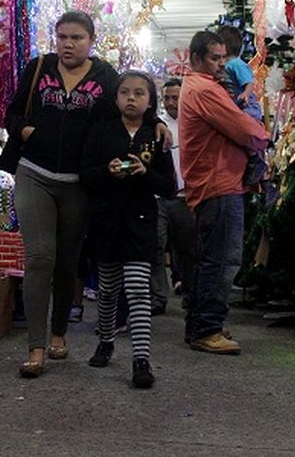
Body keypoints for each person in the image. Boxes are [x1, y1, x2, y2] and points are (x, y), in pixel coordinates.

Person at [7, 11, 164, 378]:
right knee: (41, 256)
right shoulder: (39, 67)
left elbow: (127, 110)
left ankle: (59, 331)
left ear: (91, 39)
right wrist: (27, 131)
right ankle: (36, 346)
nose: (67, 44)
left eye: (76, 38)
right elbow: (11, 113)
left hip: (79, 181)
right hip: (35, 173)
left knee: (67, 260)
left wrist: (155, 124)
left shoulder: (106, 76)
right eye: (62, 36)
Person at [80, 71, 176, 388]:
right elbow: (86, 176)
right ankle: (106, 339)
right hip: (106, 222)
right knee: (108, 290)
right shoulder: (101, 131)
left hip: (141, 222)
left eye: (139, 93)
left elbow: (170, 188)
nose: (131, 98)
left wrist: (145, 172)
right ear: (116, 97)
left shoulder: (156, 135)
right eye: (124, 92)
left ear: (150, 100)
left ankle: (141, 359)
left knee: (137, 289)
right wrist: (107, 173)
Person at [180, 31, 269, 354]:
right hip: (218, 184)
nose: (221, 64)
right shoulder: (205, 90)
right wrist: (261, 136)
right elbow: (245, 129)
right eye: (214, 58)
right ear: (196, 59)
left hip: (216, 184)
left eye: (223, 57)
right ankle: (207, 328)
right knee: (221, 260)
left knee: (211, 259)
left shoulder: (203, 87)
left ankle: (203, 323)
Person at [151, 78, 197, 311]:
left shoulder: (194, 124)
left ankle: (190, 293)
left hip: (184, 196)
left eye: (175, 98)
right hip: (159, 198)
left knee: (187, 249)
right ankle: (158, 297)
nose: (170, 103)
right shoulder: (157, 125)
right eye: (167, 98)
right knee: (156, 247)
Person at [216, 26, 267, 186]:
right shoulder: (226, 65)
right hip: (238, 105)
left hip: (247, 106)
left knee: (246, 132)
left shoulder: (236, 64)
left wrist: (245, 94)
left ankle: (255, 160)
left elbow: (249, 82)